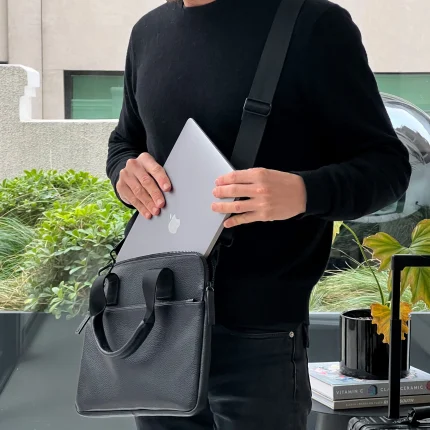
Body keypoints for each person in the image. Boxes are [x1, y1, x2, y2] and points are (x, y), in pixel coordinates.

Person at [106, 0, 412, 428]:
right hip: (158, 318)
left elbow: (388, 167)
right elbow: (125, 141)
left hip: (262, 335)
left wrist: (303, 192)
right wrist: (125, 171)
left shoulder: (313, 24)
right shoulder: (147, 33)